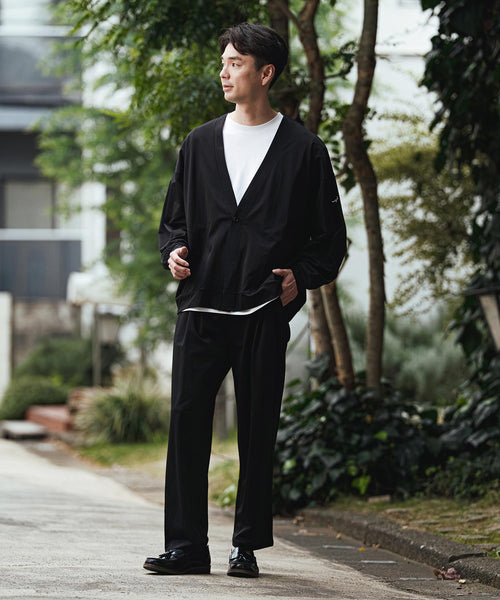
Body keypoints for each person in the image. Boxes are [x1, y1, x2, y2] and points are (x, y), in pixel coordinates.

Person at [143, 22, 346, 578]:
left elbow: (330, 240)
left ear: (266, 73)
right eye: (225, 62)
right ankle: (186, 546)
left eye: (236, 63)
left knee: (258, 429)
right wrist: (174, 252)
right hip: (202, 307)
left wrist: (299, 278)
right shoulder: (199, 143)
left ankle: (246, 545)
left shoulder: (304, 150)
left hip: (262, 308)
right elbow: (173, 222)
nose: (224, 72)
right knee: (187, 422)